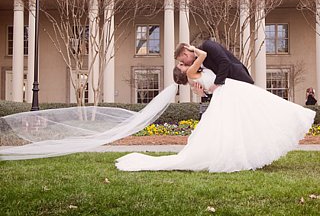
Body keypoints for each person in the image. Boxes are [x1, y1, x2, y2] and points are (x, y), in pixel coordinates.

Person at [115, 45, 315, 173]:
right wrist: (193, 48)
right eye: (181, 64)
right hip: (226, 90)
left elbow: (210, 79)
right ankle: (244, 153)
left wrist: (208, 87)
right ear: (184, 69)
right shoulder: (194, 68)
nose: (182, 63)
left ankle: (242, 154)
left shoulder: (195, 73)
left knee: (240, 120)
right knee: (255, 112)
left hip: (226, 90)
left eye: (181, 61)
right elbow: (202, 56)